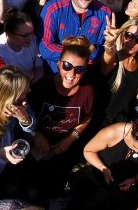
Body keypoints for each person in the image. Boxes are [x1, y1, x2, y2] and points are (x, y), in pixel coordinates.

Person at [28, 37, 95, 200]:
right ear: (59, 64)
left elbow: (88, 116)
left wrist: (71, 138)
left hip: (62, 149)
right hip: (33, 145)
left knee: (52, 186)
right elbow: (26, 113)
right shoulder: (42, 87)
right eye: (67, 66)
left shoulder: (88, 92)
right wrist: (36, 135)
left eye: (79, 69)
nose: (71, 74)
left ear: (85, 70)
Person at [70, 108, 138, 209]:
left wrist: (135, 179)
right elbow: (88, 150)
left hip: (114, 194)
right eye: (135, 146)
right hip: (92, 178)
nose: (137, 151)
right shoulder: (113, 132)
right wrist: (102, 168)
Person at [39, 0, 112, 72]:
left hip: (87, 75)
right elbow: (45, 47)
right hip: (56, 73)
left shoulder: (104, 13)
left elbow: (101, 51)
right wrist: (82, 53)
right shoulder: (54, 8)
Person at [101, 17, 138, 126]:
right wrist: (109, 43)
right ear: (122, 35)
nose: (132, 42)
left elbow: (128, 86)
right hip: (102, 122)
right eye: (129, 35)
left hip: (124, 123)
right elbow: (108, 55)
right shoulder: (114, 58)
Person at [0, 10, 44, 83]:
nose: (30, 37)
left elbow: (39, 71)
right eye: (25, 35)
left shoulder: (34, 40)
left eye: (32, 32)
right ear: (10, 34)